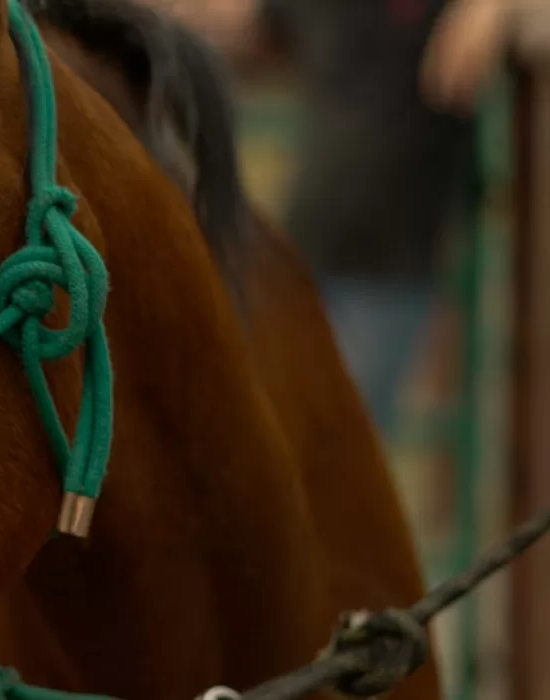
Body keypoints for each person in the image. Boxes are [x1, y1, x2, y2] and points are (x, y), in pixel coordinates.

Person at [140, 0, 507, 430]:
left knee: (342, 436)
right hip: (303, 252)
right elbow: (232, 20)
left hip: (390, 270)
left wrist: (495, 8)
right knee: (267, 426)